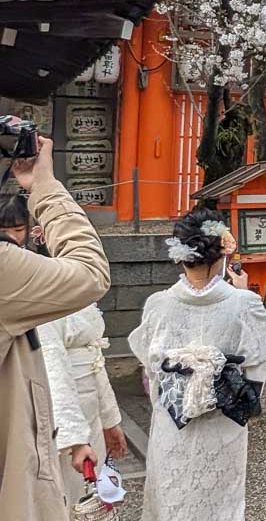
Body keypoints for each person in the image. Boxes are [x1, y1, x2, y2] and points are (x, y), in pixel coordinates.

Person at [129, 207, 266, 521]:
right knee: (218, 505)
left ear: (181, 255)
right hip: (222, 425)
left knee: (171, 499)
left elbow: (152, 367)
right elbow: (257, 365)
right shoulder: (243, 304)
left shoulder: (159, 304)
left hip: (173, 423)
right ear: (222, 253)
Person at [0, 133, 110, 521]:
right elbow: (91, 274)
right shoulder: (15, 280)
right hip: (54, 413)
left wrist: (109, 417)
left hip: (83, 401)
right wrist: (45, 186)